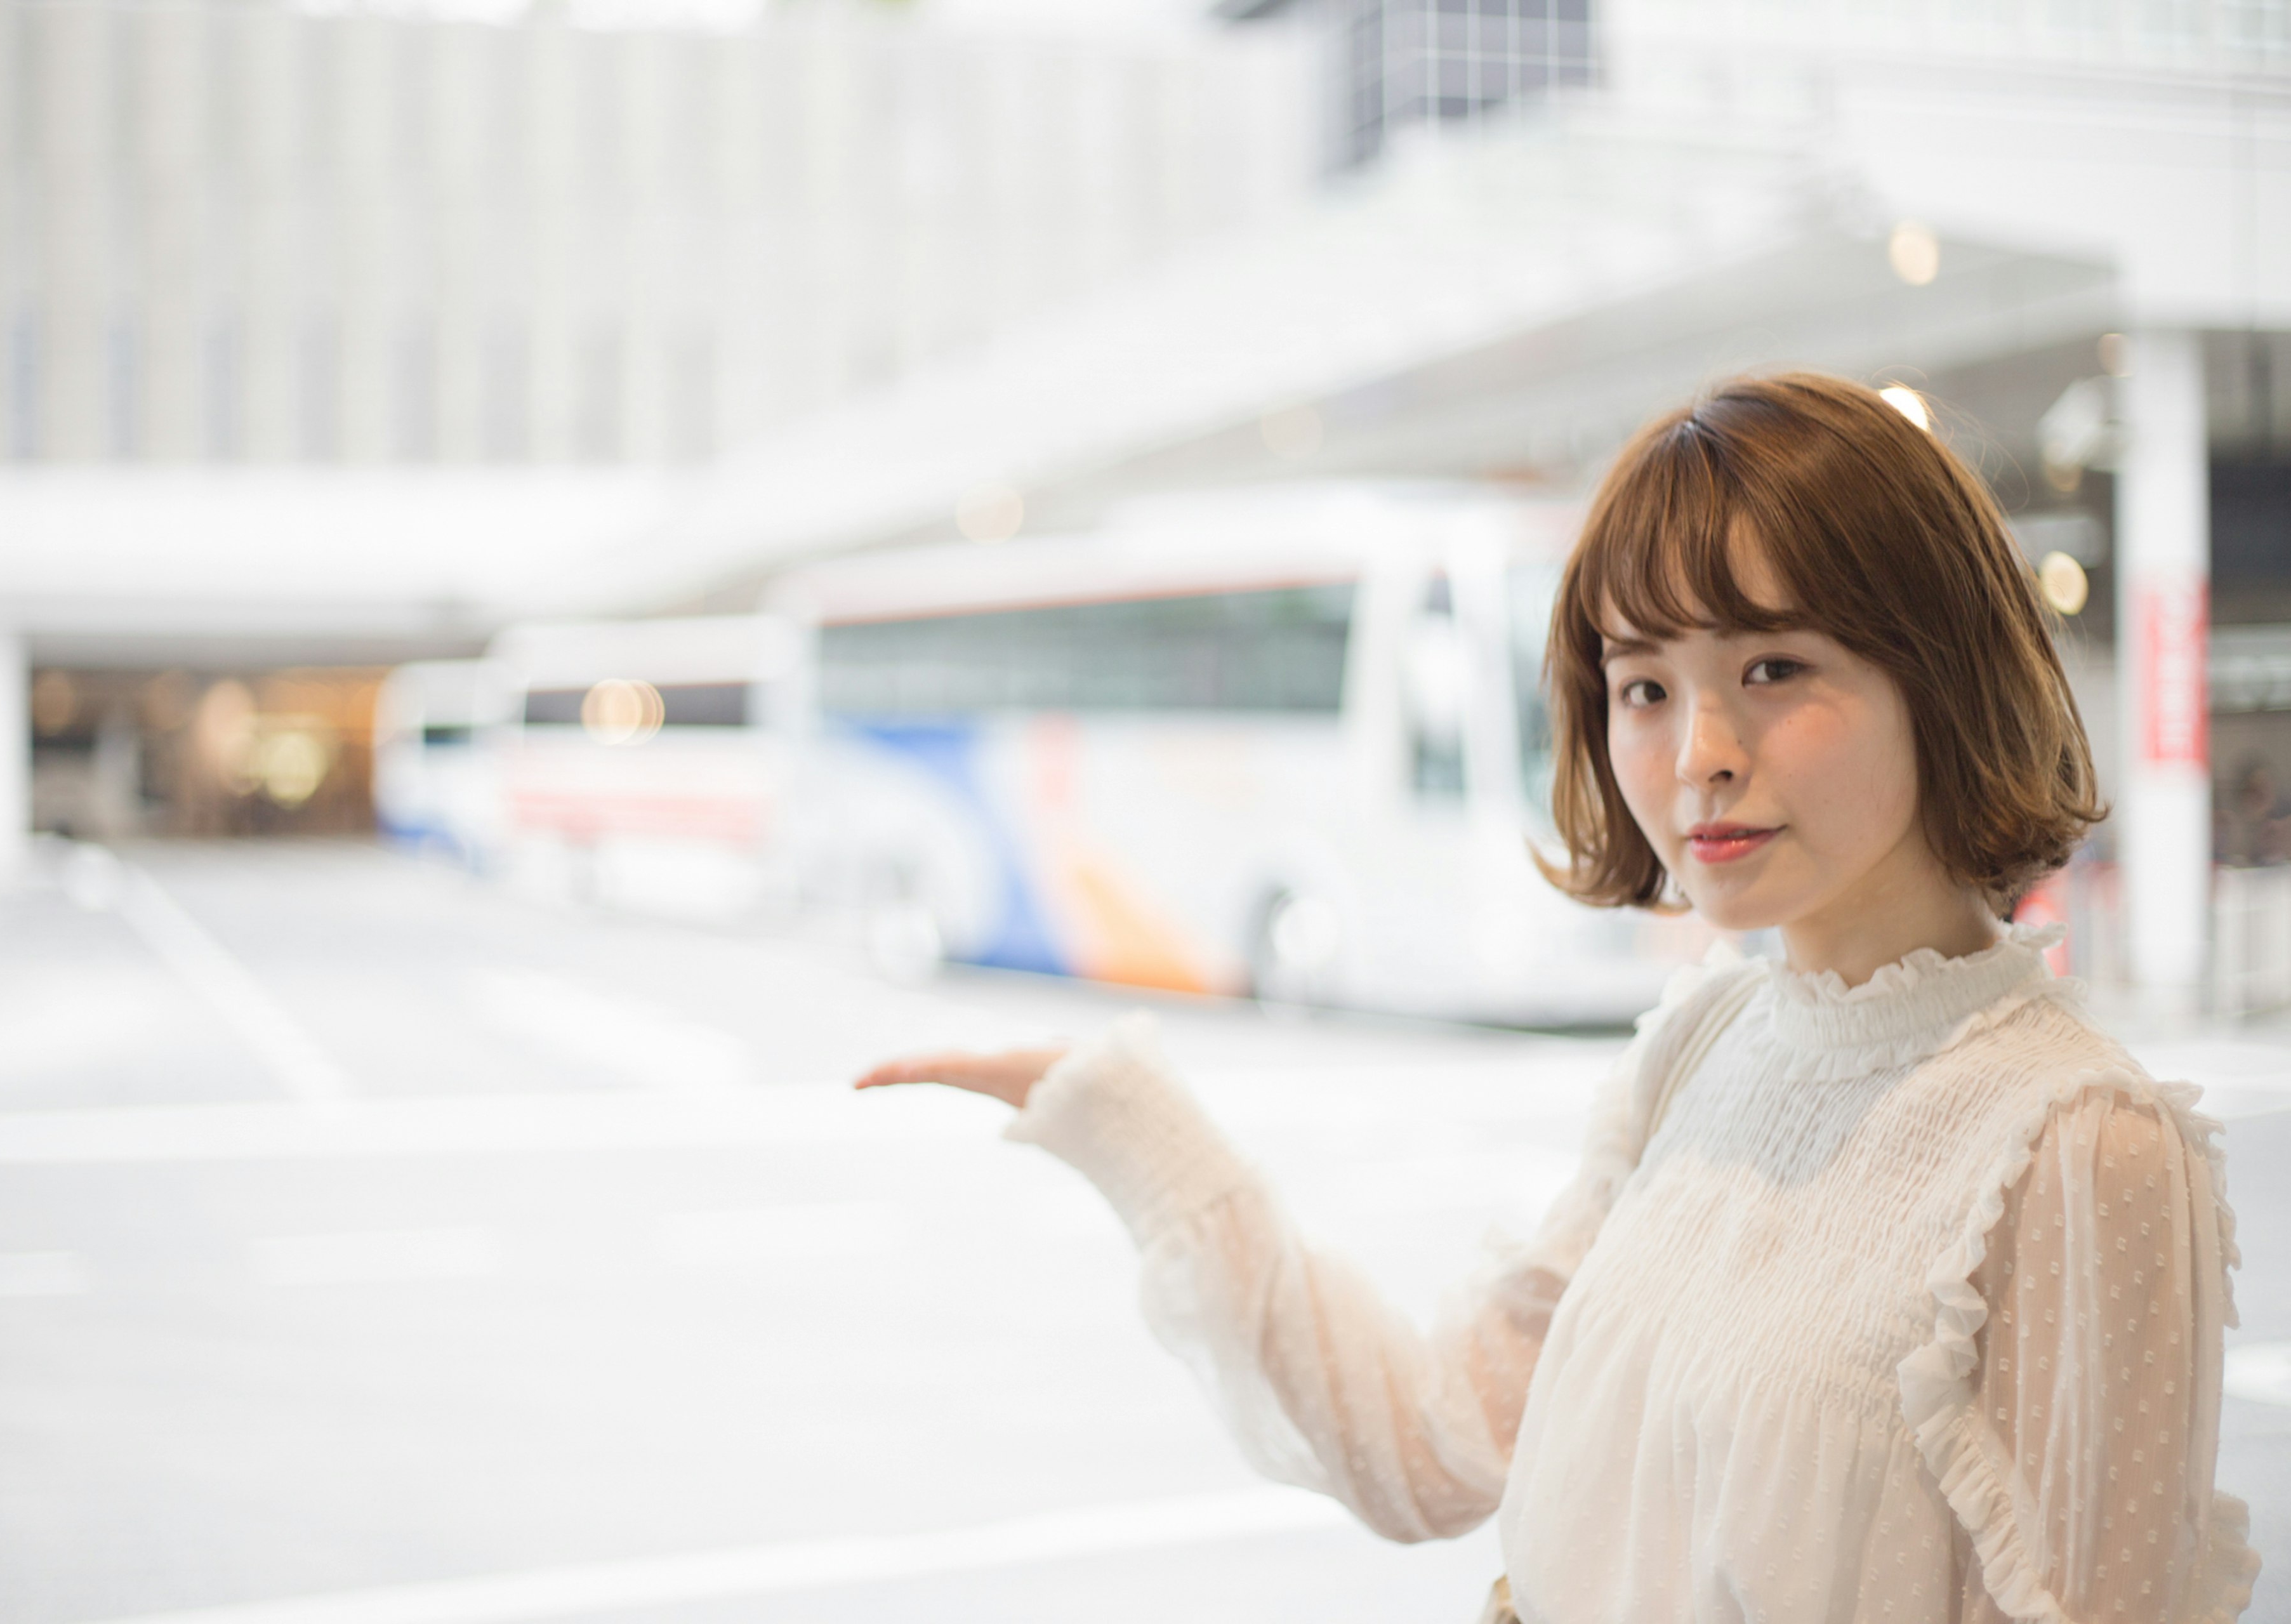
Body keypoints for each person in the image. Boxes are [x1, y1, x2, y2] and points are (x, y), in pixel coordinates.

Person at [854, 373, 2257, 1621]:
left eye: (1773, 668)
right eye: (1643, 685)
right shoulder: (1698, 1048)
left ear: (1937, 671)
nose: (1698, 752)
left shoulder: (2076, 1144)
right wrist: (1128, 1122)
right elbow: (1432, 1437)